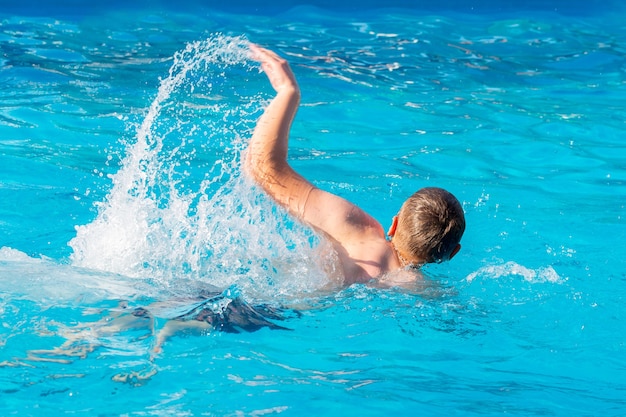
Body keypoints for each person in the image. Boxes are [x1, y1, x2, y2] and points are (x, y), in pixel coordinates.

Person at [246, 45, 466, 287]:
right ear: (452, 253)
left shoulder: (358, 229)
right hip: (277, 321)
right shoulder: (419, 288)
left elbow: (265, 169)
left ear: (394, 224)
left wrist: (288, 93)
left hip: (244, 299)